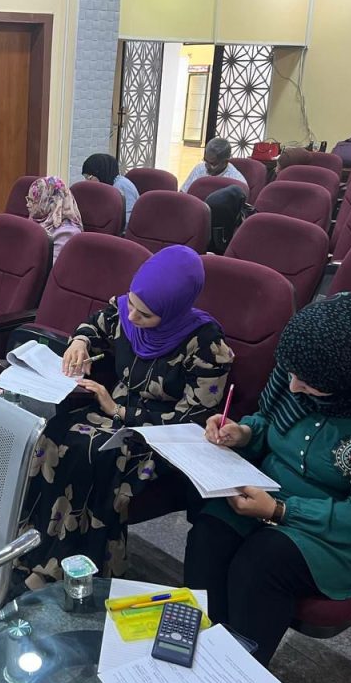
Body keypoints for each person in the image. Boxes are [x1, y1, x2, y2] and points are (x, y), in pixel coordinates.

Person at [184, 293, 351, 666]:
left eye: (310, 383)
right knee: (208, 534)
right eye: (292, 375)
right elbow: (268, 421)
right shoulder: (301, 362)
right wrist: (244, 433)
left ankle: (235, 677)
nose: (294, 387)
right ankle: (195, 654)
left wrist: (280, 511)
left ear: (350, 377)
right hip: (265, 492)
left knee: (261, 563)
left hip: (337, 532)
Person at [16, 246, 234, 589]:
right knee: (54, 433)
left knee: (96, 456)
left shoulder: (207, 345)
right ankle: (33, 549)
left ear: (173, 310)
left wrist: (119, 411)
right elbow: (96, 323)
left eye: (144, 314)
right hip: (111, 412)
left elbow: (195, 418)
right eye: (131, 304)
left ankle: (70, 571)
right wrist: (80, 341)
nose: (131, 317)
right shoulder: (128, 311)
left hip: (159, 435)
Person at [25, 176, 83, 263]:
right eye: (28, 199)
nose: (27, 205)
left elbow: (51, 267)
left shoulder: (67, 233)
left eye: (33, 201)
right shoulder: (36, 219)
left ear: (50, 202)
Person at [82, 153, 139, 223]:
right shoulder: (104, 186)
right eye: (85, 177)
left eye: (89, 177)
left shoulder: (122, 186)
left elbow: (128, 221)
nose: (87, 181)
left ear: (101, 173)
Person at [181, 137, 247, 193]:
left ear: (226, 161)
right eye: (206, 161)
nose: (207, 166)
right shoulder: (200, 168)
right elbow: (183, 192)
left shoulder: (237, 182)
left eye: (212, 164)